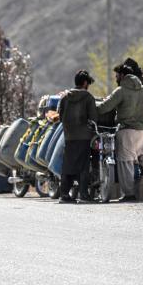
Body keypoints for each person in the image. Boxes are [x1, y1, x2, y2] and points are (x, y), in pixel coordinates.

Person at [97, 64, 143, 201]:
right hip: (141, 131)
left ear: (122, 75)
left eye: (116, 75)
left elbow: (105, 107)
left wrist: (92, 106)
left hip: (126, 130)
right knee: (139, 154)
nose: (115, 78)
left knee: (125, 162)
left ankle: (129, 193)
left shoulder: (121, 91)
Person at [57, 70, 98, 204]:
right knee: (83, 165)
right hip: (84, 136)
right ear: (85, 83)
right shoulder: (88, 97)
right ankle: (84, 194)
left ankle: (64, 194)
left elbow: (60, 115)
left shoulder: (64, 97)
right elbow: (93, 118)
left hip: (69, 135)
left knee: (68, 164)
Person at [123, 57, 143, 176]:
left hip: (137, 116)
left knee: (137, 143)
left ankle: (140, 167)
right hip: (141, 116)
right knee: (140, 142)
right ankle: (141, 167)